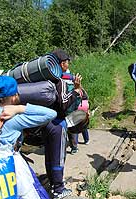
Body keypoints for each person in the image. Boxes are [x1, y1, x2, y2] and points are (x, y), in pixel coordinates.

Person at [0, 76, 57, 146]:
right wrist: (19, 108)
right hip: (7, 166)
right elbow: (51, 114)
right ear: (14, 97)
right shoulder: (14, 119)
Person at [42, 49, 82, 198]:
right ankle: (58, 189)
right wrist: (77, 91)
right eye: (67, 61)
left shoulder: (47, 80)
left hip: (45, 123)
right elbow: (64, 105)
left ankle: (52, 183)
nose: (68, 64)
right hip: (58, 124)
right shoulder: (62, 81)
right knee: (58, 156)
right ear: (62, 64)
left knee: (49, 155)